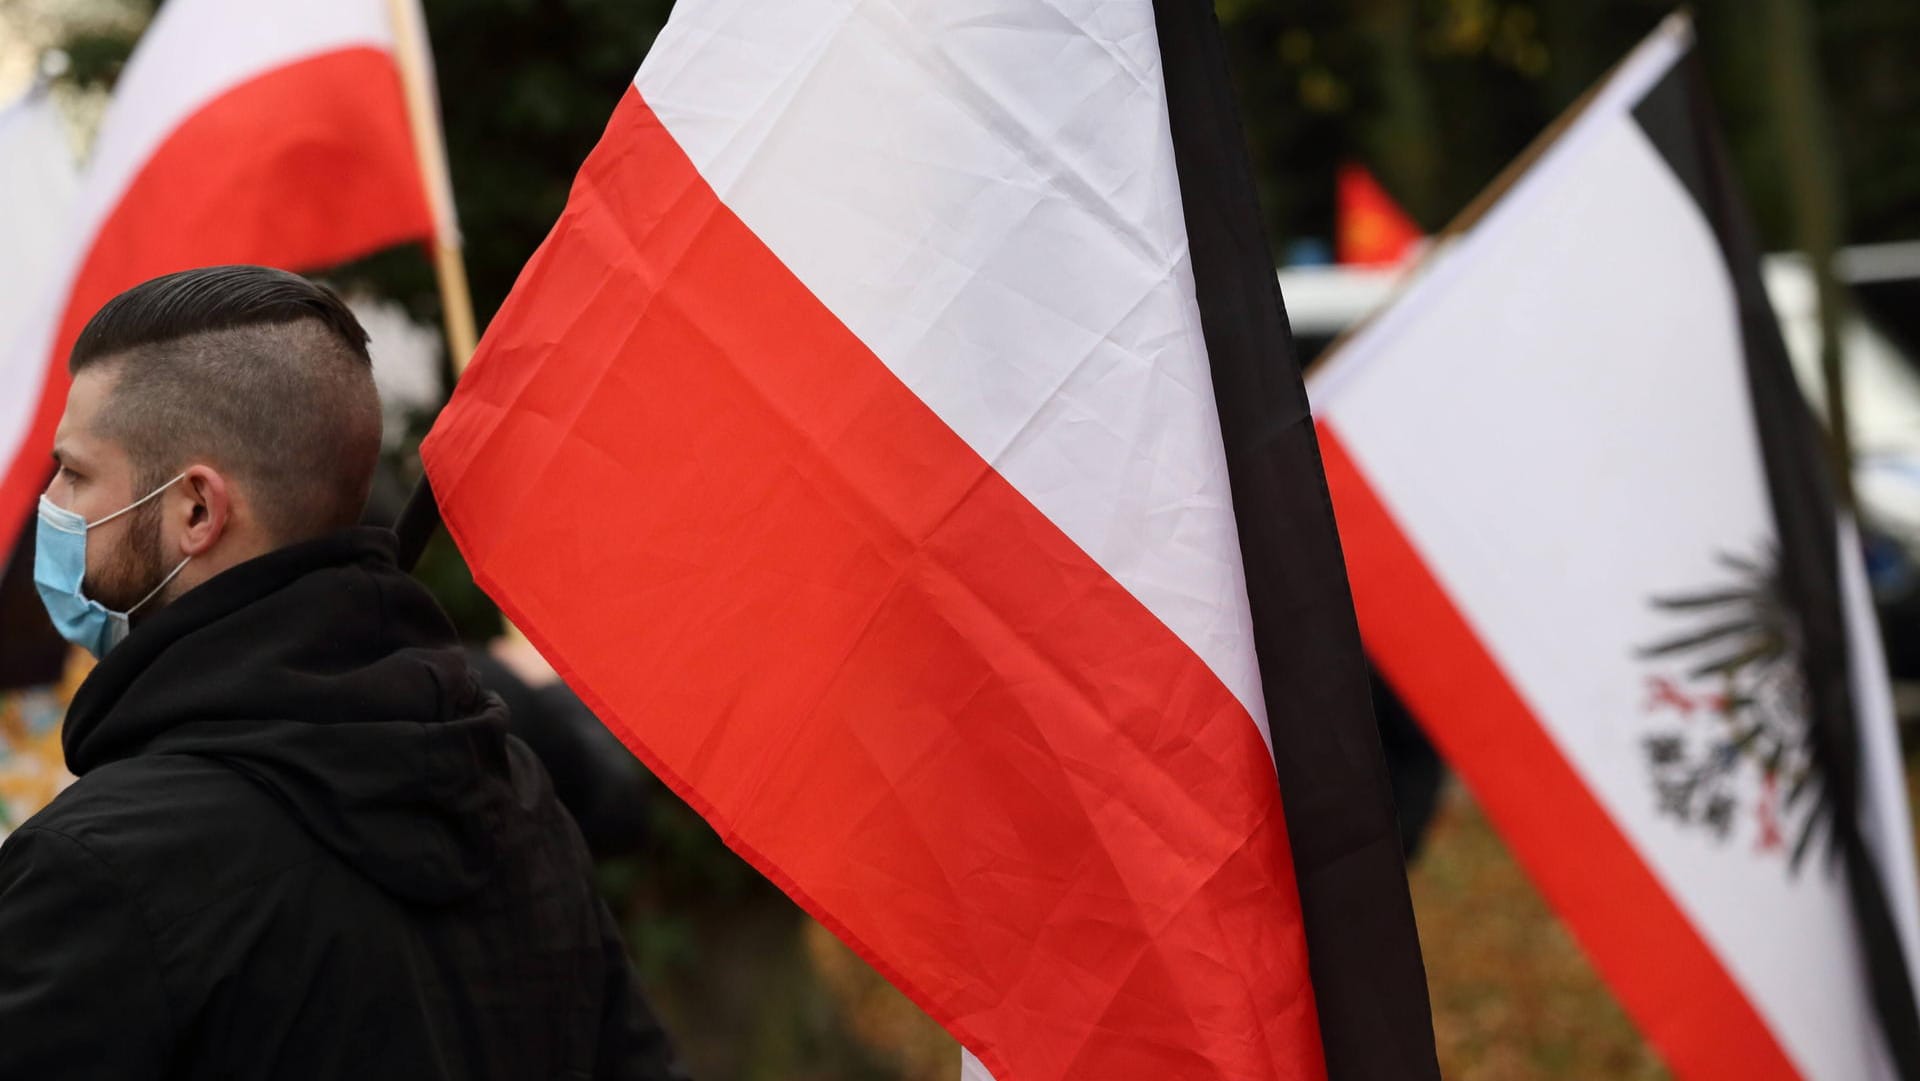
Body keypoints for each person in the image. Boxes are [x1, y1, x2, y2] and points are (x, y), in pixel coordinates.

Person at [0, 265, 686, 1080]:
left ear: (196, 510)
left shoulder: (98, 870)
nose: (53, 505)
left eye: (75, 473)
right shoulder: (514, 793)